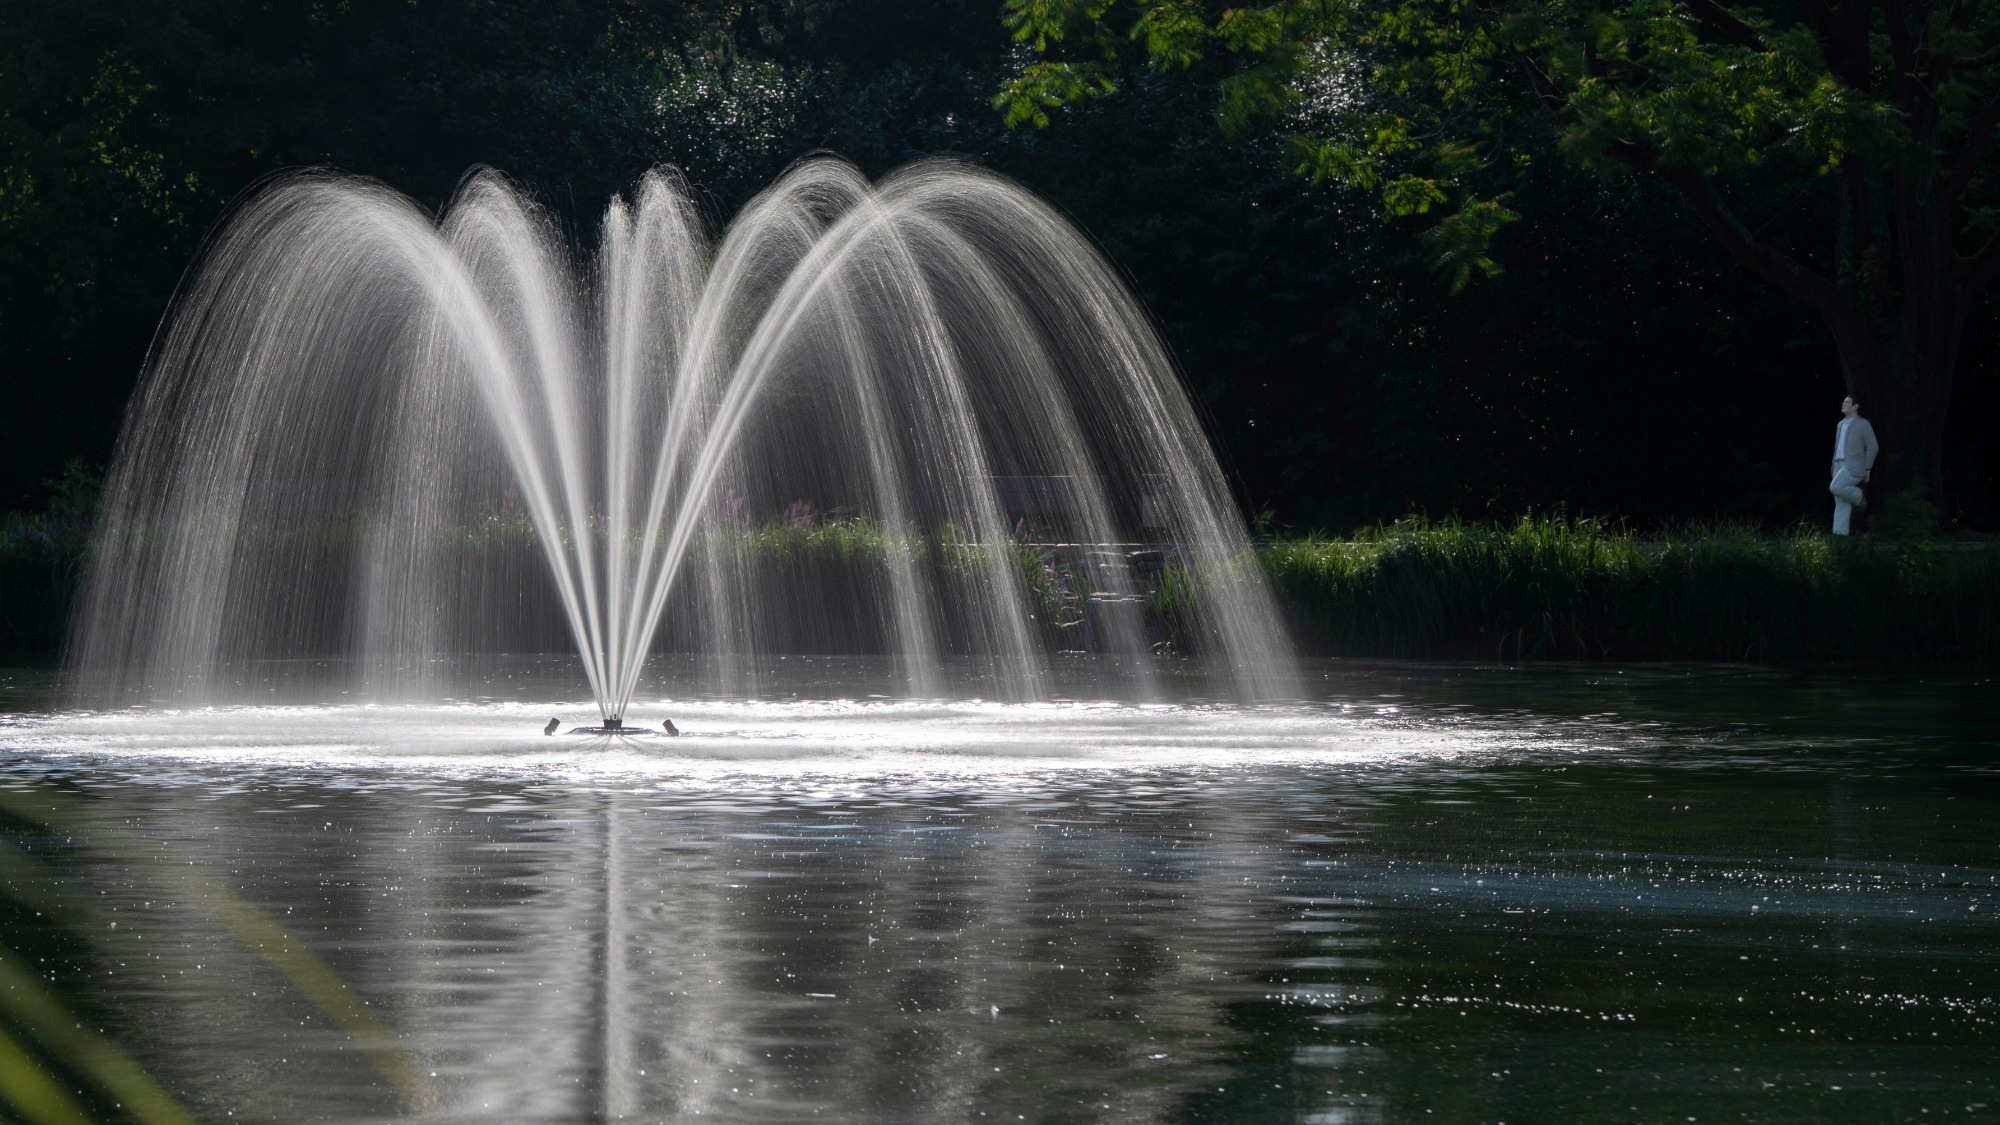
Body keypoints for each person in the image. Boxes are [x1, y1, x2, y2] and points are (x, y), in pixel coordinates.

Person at [1829, 394, 1878, 535]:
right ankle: (1840, 535)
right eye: (1843, 402)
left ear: (1855, 406)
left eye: (1847, 402)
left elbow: (1873, 447)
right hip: (1837, 465)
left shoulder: (1863, 424)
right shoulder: (1840, 424)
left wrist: (1867, 467)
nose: (1843, 404)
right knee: (1841, 502)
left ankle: (1859, 496)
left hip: (1853, 466)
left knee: (1835, 487)